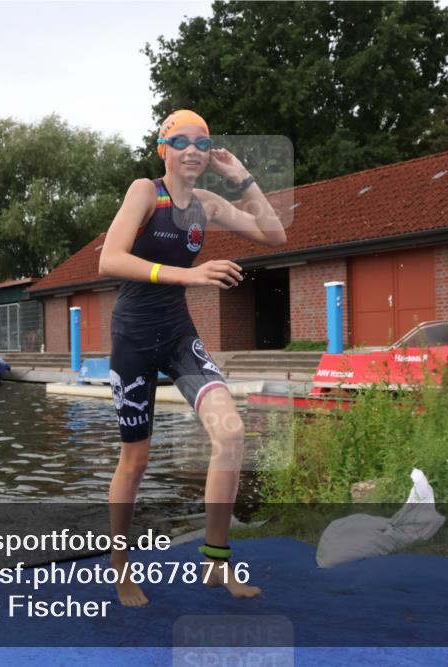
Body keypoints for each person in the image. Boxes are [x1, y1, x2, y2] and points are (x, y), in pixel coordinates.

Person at [98, 109, 287, 606]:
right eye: (180, 141)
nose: (192, 150)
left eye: (202, 143)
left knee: (231, 433)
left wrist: (242, 177)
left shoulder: (206, 203)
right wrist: (190, 275)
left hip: (178, 335)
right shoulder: (146, 192)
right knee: (134, 460)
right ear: (164, 149)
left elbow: (274, 234)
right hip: (133, 335)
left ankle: (216, 565)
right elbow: (110, 260)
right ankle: (121, 569)